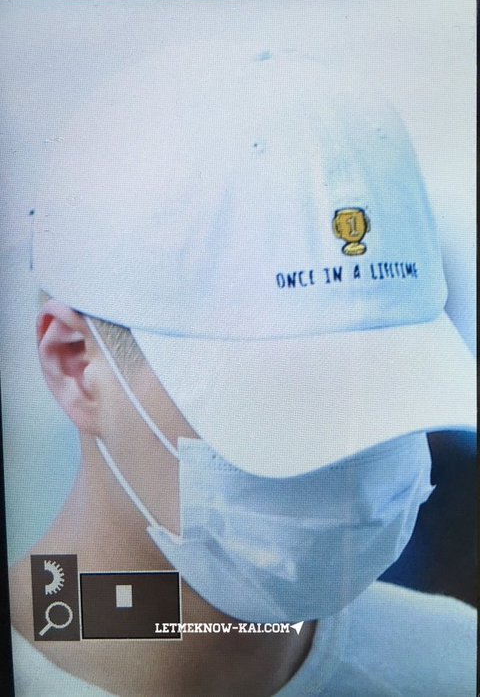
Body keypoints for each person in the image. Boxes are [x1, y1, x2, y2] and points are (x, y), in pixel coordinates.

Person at [9, 41, 476, 696]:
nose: (353, 464)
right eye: (278, 399)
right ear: (76, 365)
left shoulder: (454, 664)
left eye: (391, 388)